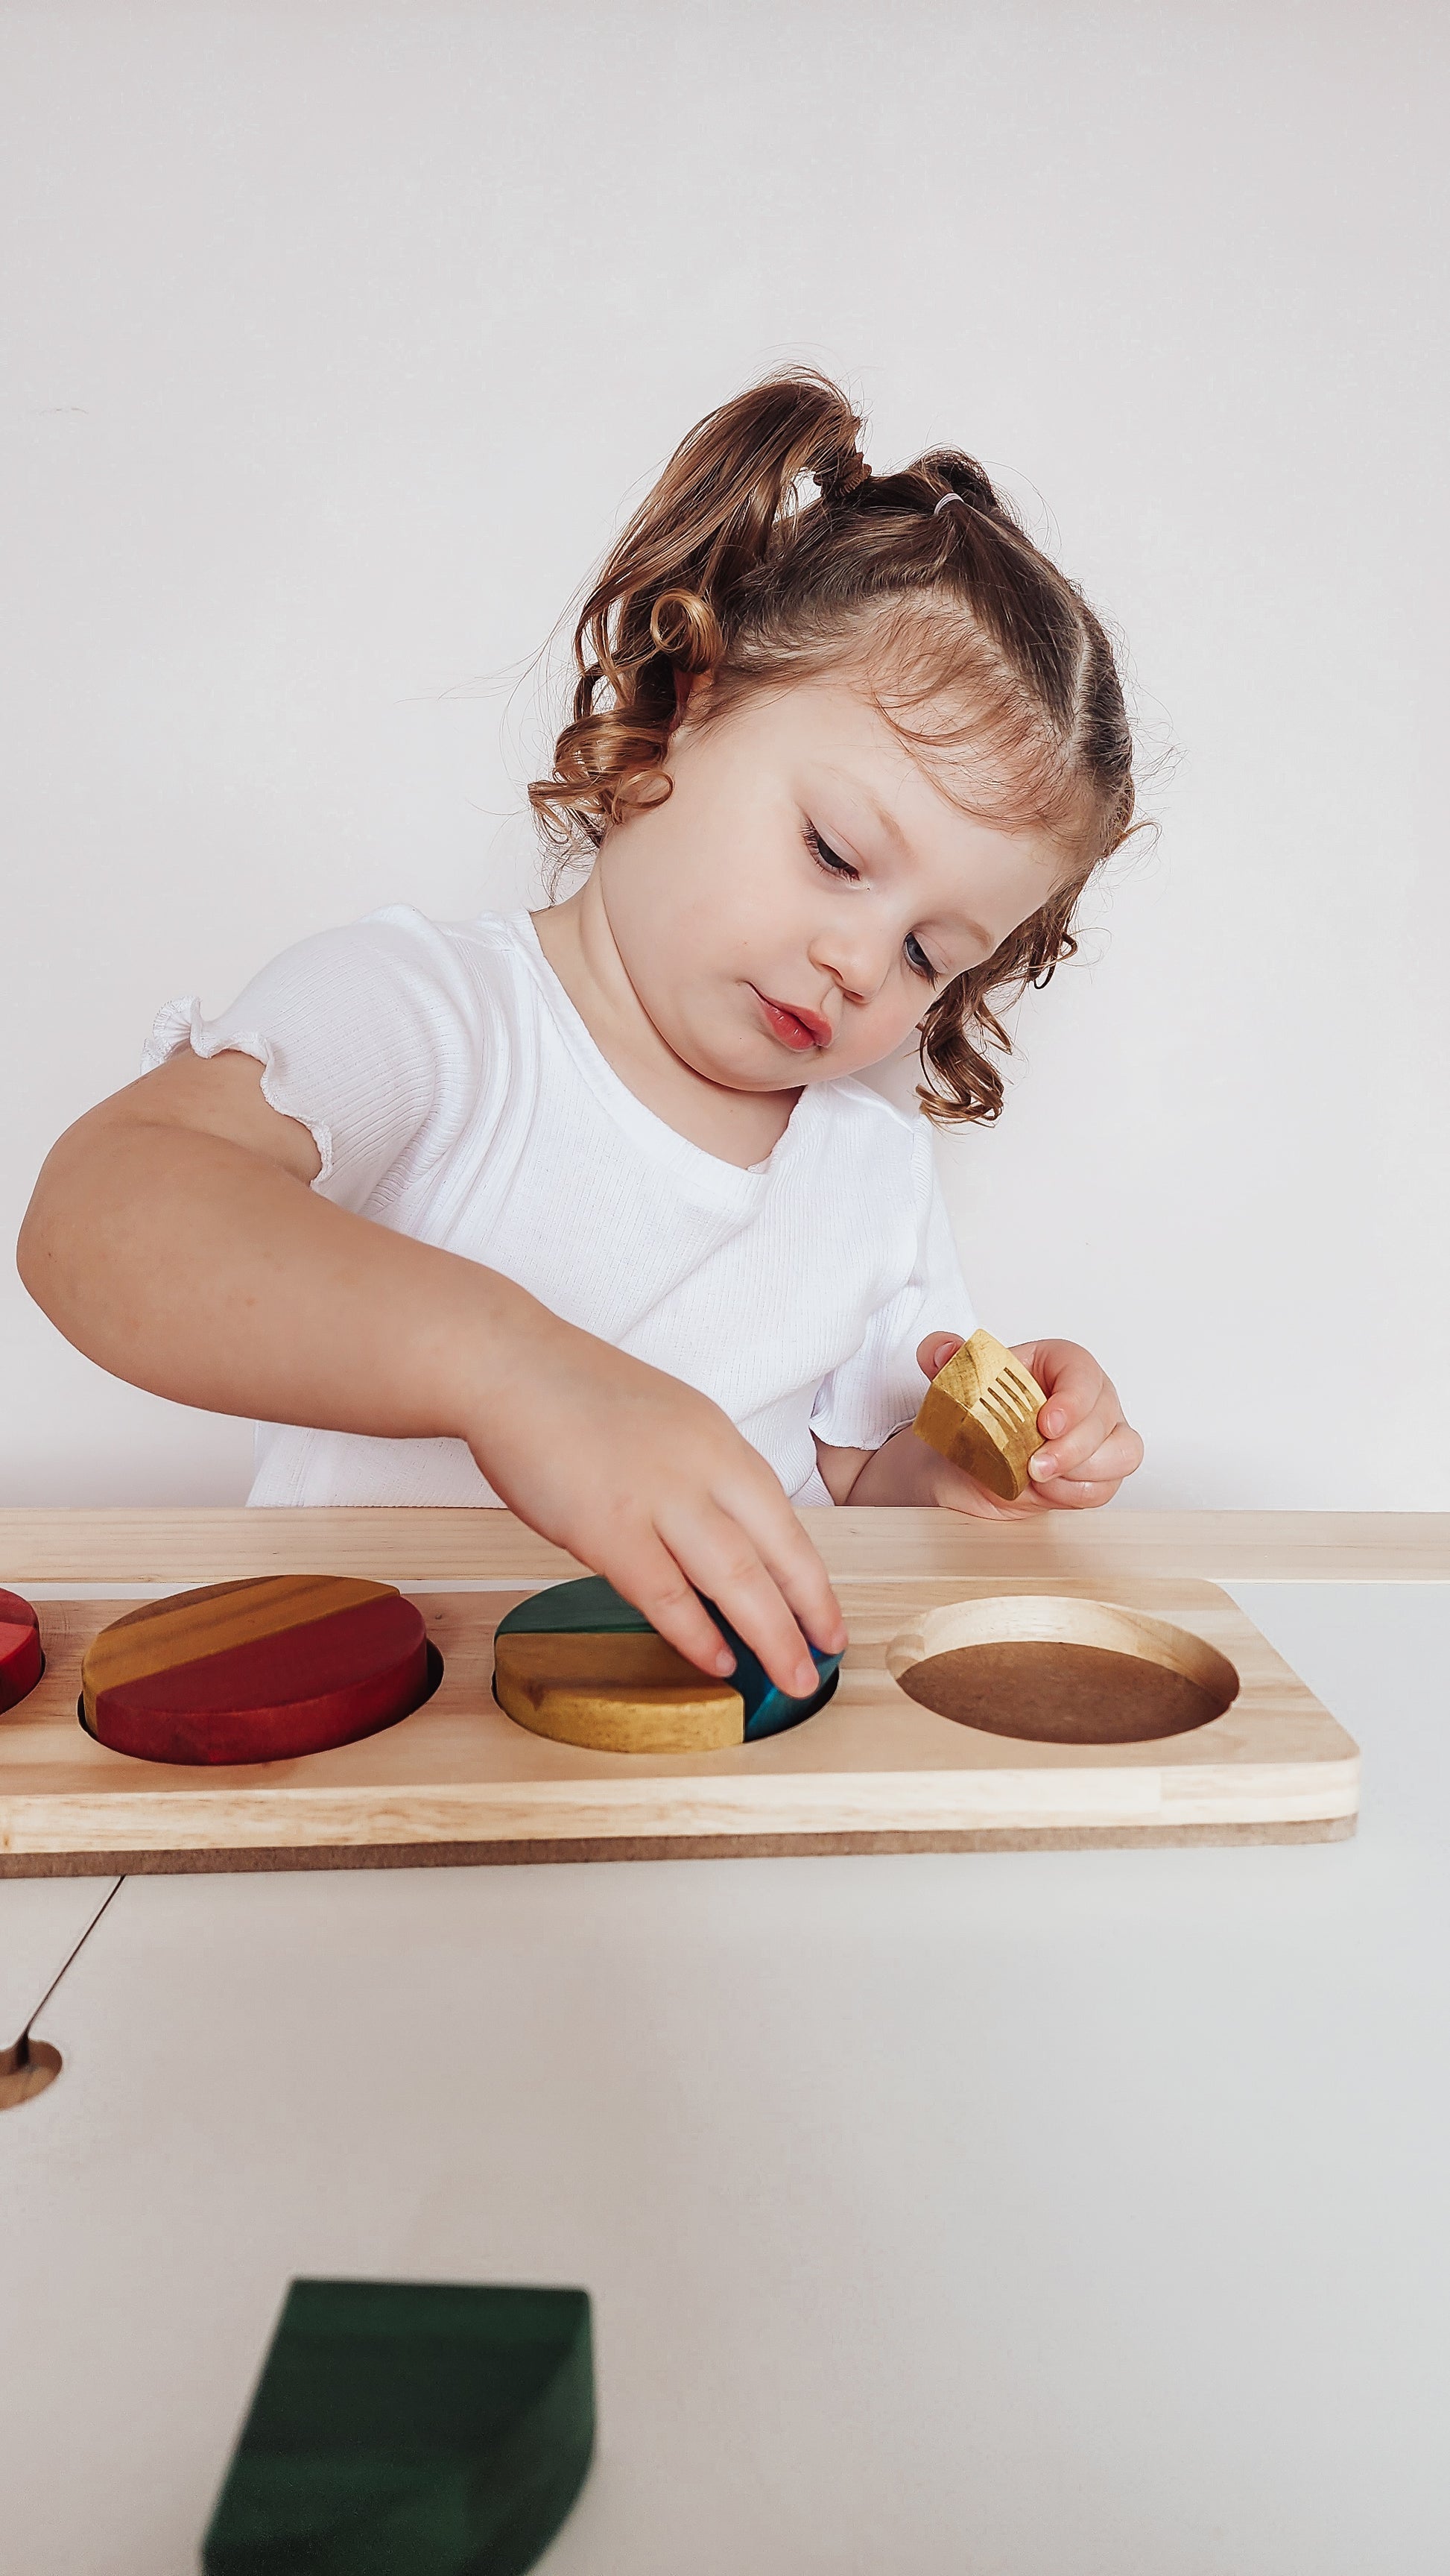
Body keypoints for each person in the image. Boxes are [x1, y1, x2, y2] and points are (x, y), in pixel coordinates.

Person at [18, 371, 1144, 1701]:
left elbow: (851, 1491)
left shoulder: (871, 1177)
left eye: (925, 956)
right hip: (372, 1741)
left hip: (694, 1764)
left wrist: (960, 1480)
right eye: (836, 854)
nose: (857, 964)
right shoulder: (436, 1018)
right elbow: (95, 1218)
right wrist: (515, 1372)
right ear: (690, 702)